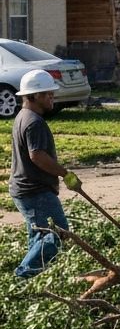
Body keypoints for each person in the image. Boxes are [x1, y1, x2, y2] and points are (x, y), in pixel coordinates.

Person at [9, 70, 82, 278]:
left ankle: (35, 278)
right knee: (56, 235)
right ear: (34, 96)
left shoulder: (23, 117)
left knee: (40, 237)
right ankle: (23, 277)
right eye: (48, 94)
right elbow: (37, 156)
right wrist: (66, 175)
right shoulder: (33, 122)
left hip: (28, 190)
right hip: (35, 192)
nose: (52, 98)